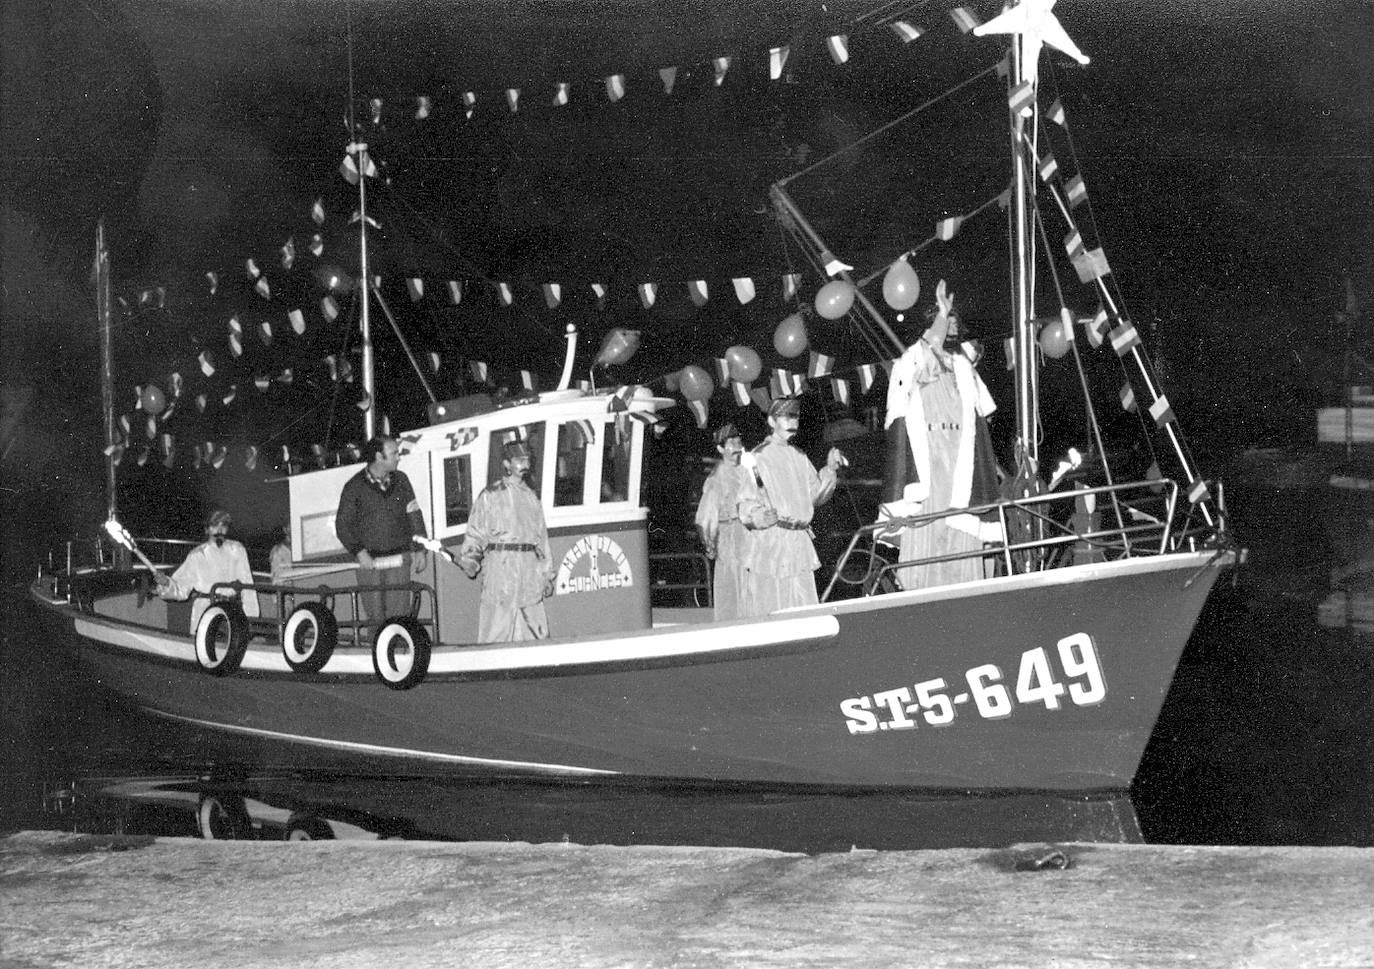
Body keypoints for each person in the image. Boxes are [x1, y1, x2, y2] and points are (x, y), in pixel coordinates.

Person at [881, 279, 1001, 590]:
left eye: (953, 319)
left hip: (959, 458)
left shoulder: (962, 365)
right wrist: (940, 318)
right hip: (928, 462)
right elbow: (922, 364)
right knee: (926, 529)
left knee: (962, 529)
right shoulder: (912, 360)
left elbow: (981, 416)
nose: (953, 325)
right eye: (947, 319)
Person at [737, 397, 846, 613]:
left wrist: (830, 469)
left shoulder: (799, 457)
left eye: (795, 416)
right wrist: (758, 516)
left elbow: (816, 495)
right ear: (771, 420)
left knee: (805, 608)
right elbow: (745, 502)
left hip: (799, 544)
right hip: (772, 544)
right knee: (772, 606)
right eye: (785, 416)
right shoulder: (757, 457)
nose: (792, 422)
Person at [458, 439, 554, 642]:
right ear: (507, 464)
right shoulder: (491, 495)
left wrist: (546, 575)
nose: (524, 464)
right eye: (519, 460)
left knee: (533, 630)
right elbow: (476, 532)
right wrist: (470, 559)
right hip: (501, 568)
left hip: (528, 571)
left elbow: (541, 542)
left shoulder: (532, 498)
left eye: (527, 459)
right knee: (497, 628)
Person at [335, 435, 429, 639]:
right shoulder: (354, 487)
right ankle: (376, 662)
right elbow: (342, 525)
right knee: (376, 618)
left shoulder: (402, 480)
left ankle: (401, 659)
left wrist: (420, 549)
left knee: (400, 616)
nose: (398, 457)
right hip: (370, 562)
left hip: (399, 560)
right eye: (394, 453)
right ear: (379, 456)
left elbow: (414, 514)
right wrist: (359, 553)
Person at [156, 509, 260, 633]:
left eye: (224, 525)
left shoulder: (237, 550)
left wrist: (251, 619)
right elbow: (180, 589)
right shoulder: (196, 555)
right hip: (205, 613)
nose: (220, 530)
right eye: (215, 525)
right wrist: (166, 583)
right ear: (207, 530)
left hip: (232, 611)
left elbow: (248, 586)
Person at [694, 423, 750, 621]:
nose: (737, 446)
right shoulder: (717, 478)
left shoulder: (747, 471)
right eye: (731, 443)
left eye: (739, 441)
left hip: (749, 535)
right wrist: (709, 542)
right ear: (720, 448)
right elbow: (705, 516)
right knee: (731, 587)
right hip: (729, 537)